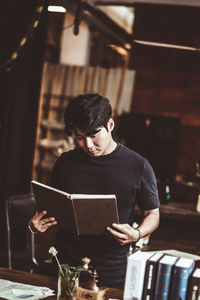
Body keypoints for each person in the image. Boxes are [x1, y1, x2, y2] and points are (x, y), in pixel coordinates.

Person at [29, 93, 160, 288]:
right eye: (80, 138)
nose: (88, 145)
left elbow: (153, 214)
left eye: (93, 135)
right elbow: (51, 210)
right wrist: (35, 226)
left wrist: (137, 233)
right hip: (65, 265)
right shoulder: (65, 162)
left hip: (112, 269)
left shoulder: (138, 165)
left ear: (110, 125)